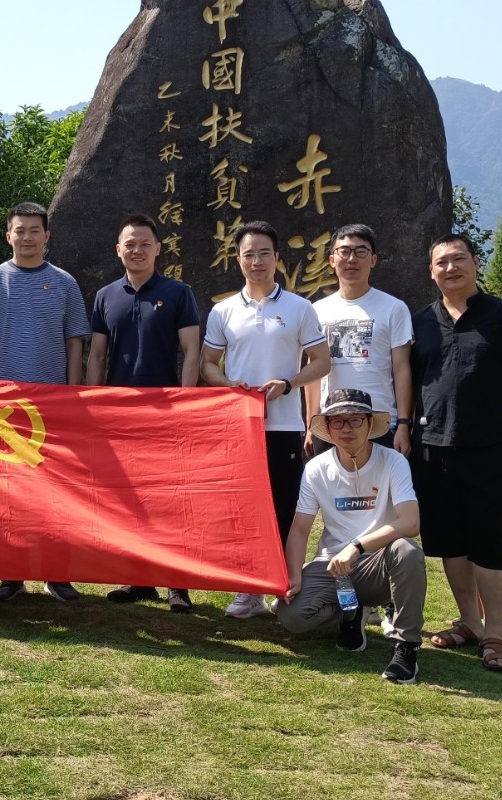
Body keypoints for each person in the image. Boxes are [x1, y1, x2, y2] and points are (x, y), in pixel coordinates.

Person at [408, 233, 502, 672]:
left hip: (485, 447)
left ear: (476, 263)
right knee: (450, 540)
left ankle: (495, 632)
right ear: (431, 271)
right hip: (431, 449)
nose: (450, 268)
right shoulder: (420, 322)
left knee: (488, 541)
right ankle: (469, 620)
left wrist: (491, 411)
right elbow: (411, 381)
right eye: (441, 262)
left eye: (458, 259)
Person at [201, 220, 331, 618]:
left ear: (276, 258)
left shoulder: (299, 308)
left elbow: (321, 361)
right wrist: (228, 383)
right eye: (248, 255)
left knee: (284, 508)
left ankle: (280, 584)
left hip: (285, 426)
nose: (256, 261)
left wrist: (289, 384)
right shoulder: (223, 311)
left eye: (263, 254)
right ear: (238, 261)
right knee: (242, 508)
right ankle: (248, 590)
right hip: (240, 426)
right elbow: (208, 364)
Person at [0, 201, 92, 603]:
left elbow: (75, 342)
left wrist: (71, 395)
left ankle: (58, 574)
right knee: (9, 494)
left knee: (57, 492)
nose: (27, 237)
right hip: (7, 407)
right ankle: (12, 575)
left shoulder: (65, 283)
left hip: (54, 403)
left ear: (46, 236)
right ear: (9, 236)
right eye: (19, 230)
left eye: (34, 230)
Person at [87, 214, 203, 611]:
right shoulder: (105, 296)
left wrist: (185, 404)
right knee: (129, 499)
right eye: (129, 244)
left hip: (166, 413)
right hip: (119, 415)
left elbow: (191, 352)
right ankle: (138, 579)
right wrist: (92, 404)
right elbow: (97, 355)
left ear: (158, 248)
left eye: (144, 244)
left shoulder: (178, 293)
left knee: (171, 499)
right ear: (118, 250)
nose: (137, 250)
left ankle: (177, 584)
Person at [276, 388, 425, 683]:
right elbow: (300, 528)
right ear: (328, 428)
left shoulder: (393, 462)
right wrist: (293, 576)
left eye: (355, 420)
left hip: (377, 565)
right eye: (338, 421)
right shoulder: (316, 468)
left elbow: (411, 523)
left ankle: (406, 648)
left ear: (370, 424)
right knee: (291, 616)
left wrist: (357, 546)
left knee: (407, 550)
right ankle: (351, 614)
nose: (346, 428)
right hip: (331, 566)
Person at [303, 223, 414, 458]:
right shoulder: (316, 311)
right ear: (332, 260)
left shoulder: (394, 308)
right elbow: (313, 371)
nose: (351, 259)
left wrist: (404, 423)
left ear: (373, 260)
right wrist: (311, 423)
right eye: (344, 251)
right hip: (330, 423)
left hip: (380, 422)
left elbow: (402, 369)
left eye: (360, 252)